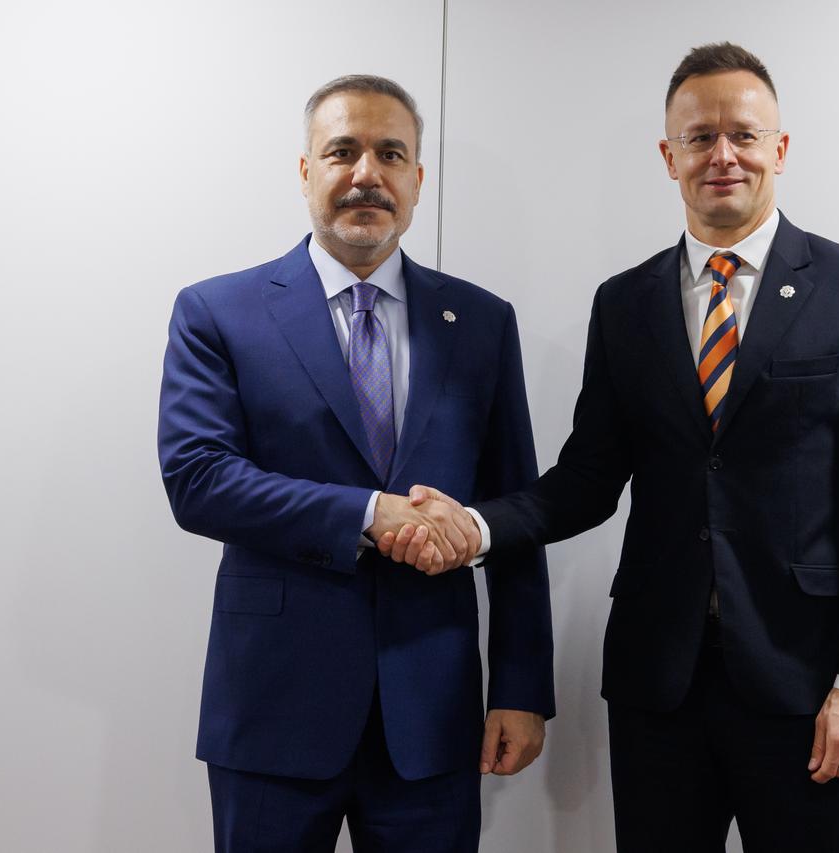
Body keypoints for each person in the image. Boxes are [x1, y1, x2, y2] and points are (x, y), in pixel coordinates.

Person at [379, 43, 839, 853]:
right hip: (657, 684)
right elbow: (588, 480)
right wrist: (476, 525)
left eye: (743, 134)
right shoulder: (626, 302)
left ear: (780, 148)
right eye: (699, 138)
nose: (723, 154)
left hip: (806, 682)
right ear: (668, 156)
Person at [157, 74, 554, 853]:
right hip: (273, 710)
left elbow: (516, 512)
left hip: (433, 712)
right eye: (342, 151)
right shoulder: (217, 312)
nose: (366, 173)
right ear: (306, 171)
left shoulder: (480, 322)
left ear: (417, 180)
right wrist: (371, 514)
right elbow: (198, 478)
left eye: (390, 153)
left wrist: (519, 688)